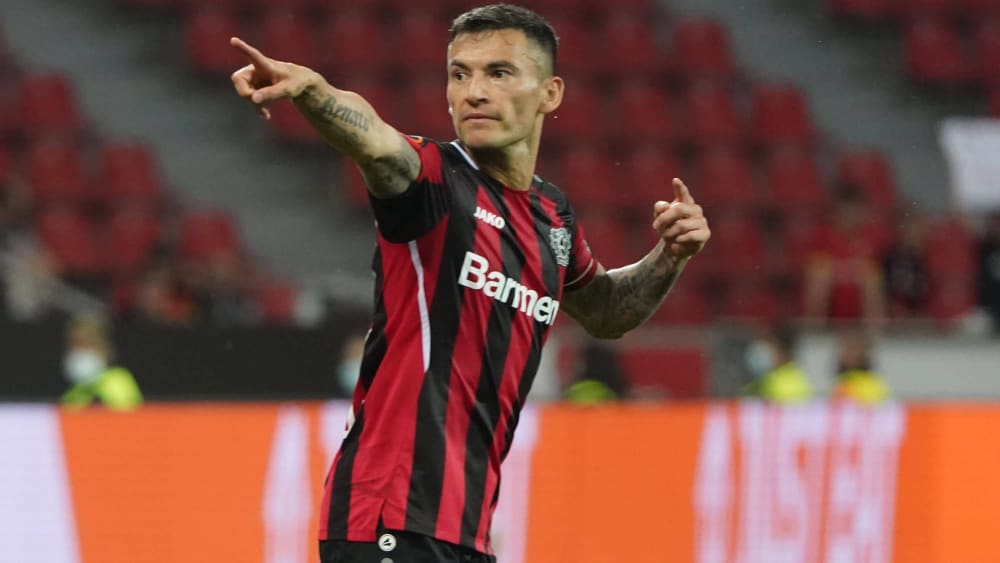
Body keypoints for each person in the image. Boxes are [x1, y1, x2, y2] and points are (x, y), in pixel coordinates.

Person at [229, 4, 710, 562]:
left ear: (550, 93)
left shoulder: (552, 216)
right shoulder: (432, 181)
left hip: (464, 529)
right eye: (459, 74)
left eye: (498, 73)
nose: (473, 92)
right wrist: (311, 90)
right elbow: (376, 142)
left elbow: (605, 311)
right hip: (391, 515)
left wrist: (670, 255)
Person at [60, 314, 143, 410]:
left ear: (104, 347)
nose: (80, 351)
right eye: (75, 345)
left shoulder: (118, 380)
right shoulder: (72, 394)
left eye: (87, 344)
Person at [741, 324, 813, 404]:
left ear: (784, 352)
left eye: (772, 349)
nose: (768, 353)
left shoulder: (791, 382)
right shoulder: (766, 377)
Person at [832, 328, 891, 405]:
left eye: (853, 350)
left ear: (863, 354)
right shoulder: (840, 382)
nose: (847, 355)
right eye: (845, 349)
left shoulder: (874, 385)